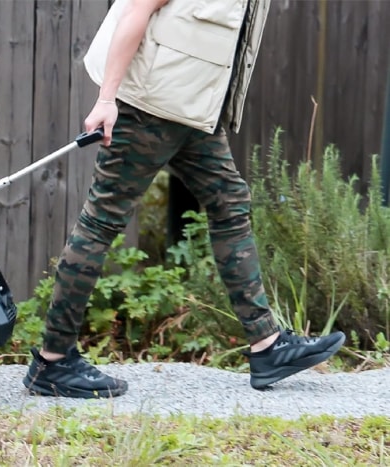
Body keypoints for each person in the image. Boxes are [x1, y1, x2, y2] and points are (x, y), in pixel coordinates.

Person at [23, 0, 346, 398]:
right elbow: (135, 11)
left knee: (230, 204)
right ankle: (53, 360)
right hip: (148, 108)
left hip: (191, 112)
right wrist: (107, 100)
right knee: (102, 219)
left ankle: (267, 345)